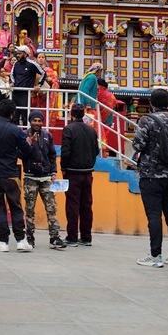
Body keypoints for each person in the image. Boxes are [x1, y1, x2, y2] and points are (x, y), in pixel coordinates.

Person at [133, 89, 168, 268]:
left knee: (154, 215)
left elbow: (138, 144)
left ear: (151, 103)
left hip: (150, 175)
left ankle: (155, 255)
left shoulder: (146, 120)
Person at [0, 98, 34, 253]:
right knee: (16, 208)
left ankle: (3, 241)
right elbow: (27, 152)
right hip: (11, 175)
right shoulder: (16, 130)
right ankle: (21, 240)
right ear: (12, 114)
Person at [23, 110, 66, 249]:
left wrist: (53, 172)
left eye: (39, 120)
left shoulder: (48, 135)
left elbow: (52, 155)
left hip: (46, 177)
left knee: (51, 208)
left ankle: (54, 237)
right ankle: (29, 237)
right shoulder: (24, 135)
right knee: (30, 209)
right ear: (30, 121)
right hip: (30, 177)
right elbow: (20, 154)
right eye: (34, 120)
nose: (37, 123)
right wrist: (29, 144)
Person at [61, 103, 100, 247]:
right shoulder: (91, 131)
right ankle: (86, 237)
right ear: (83, 114)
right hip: (88, 173)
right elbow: (96, 151)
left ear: (71, 114)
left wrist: (63, 168)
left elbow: (65, 152)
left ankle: (72, 237)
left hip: (73, 172)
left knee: (72, 205)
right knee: (86, 205)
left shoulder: (68, 129)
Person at [10, 45, 46, 127]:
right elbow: (12, 75)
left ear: (25, 54)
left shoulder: (32, 64)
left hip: (25, 93)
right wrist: (12, 82)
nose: (17, 55)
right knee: (14, 117)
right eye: (17, 53)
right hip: (15, 92)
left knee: (25, 116)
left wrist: (39, 85)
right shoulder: (16, 64)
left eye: (19, 54)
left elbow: (43, 73)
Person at [30, 52, 60, 127]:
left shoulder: (49, 70)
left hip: (45, 98)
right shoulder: (32, 69)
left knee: (43, 116)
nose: (41, 59)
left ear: (45, 60)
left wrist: (50, 81)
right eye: (39, 57)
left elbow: (55, 82)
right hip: (34, 96)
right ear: (36, 59)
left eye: (43, 57)